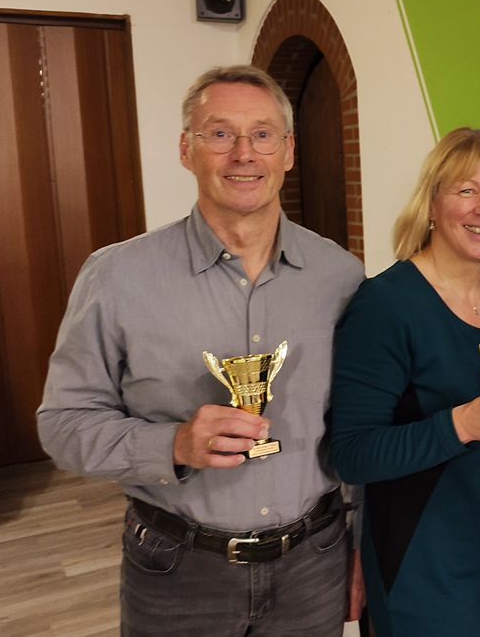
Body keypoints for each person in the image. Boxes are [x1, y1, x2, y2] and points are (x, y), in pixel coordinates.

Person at [37, 65, 364, 636]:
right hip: (180, 571)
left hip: (314, 563)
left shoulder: (340, 276)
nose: (244, 153)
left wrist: (361, 543)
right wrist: (174, 445)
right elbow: (63, 424)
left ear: (288, 151)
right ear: (186, 150)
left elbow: (360, 422)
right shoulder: (118, 276)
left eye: (262, 134)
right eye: (220, 134)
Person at [329, 128, 480, 636]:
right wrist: (463, 424)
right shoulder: (386, 304)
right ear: (431, 203)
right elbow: (352, 453)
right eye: (466, 190)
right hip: (419, 568)